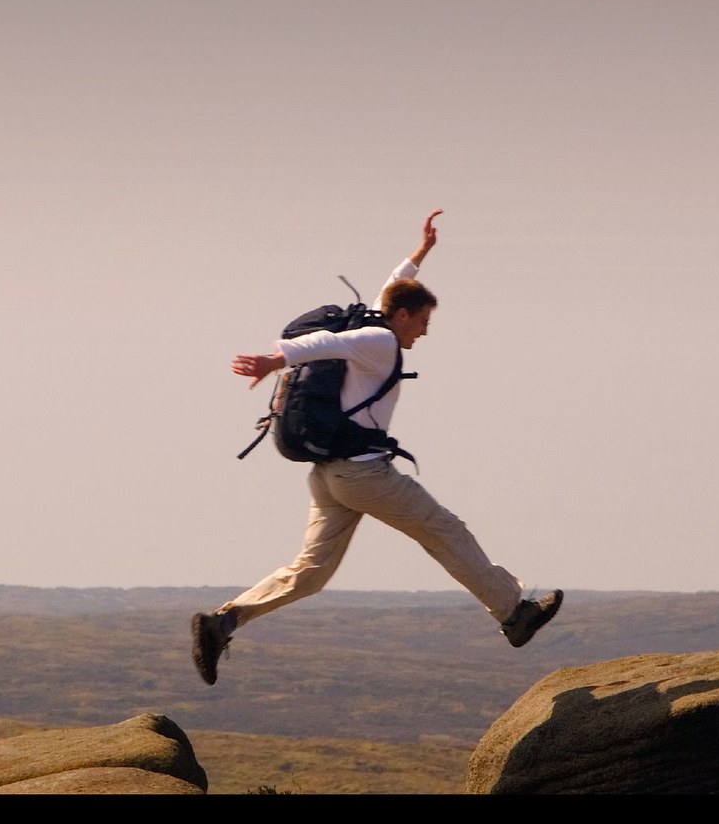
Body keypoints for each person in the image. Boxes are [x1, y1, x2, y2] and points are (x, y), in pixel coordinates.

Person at [191, 209, 562, 685]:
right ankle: (515, 614)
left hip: (330, 476)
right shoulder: (379, 340)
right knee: (445, 530)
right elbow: (326, 341)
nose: (423, 333)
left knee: (311, 571)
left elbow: (390, 288)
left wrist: (420, 254)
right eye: (421, 322)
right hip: (365, 476)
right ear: (402, 316)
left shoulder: (376, 323)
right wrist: (272, 359)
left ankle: (222, 622)